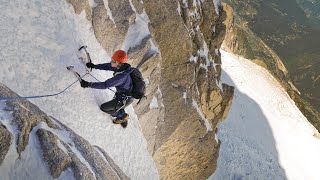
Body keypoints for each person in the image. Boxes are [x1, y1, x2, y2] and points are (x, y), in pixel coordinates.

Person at [80, 50, 133, 127]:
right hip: (124, 93)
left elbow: (105, 85)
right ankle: (120, 109)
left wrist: (88, 84)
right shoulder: (122, 67)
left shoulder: (120, 78)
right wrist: (95, 66)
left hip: (125, 98)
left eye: (113, 61)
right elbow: (108, 66)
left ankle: (122, 116)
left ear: (119, 63)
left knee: (104, 108)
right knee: (115, 105)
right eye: (112, 59)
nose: (111, 62)